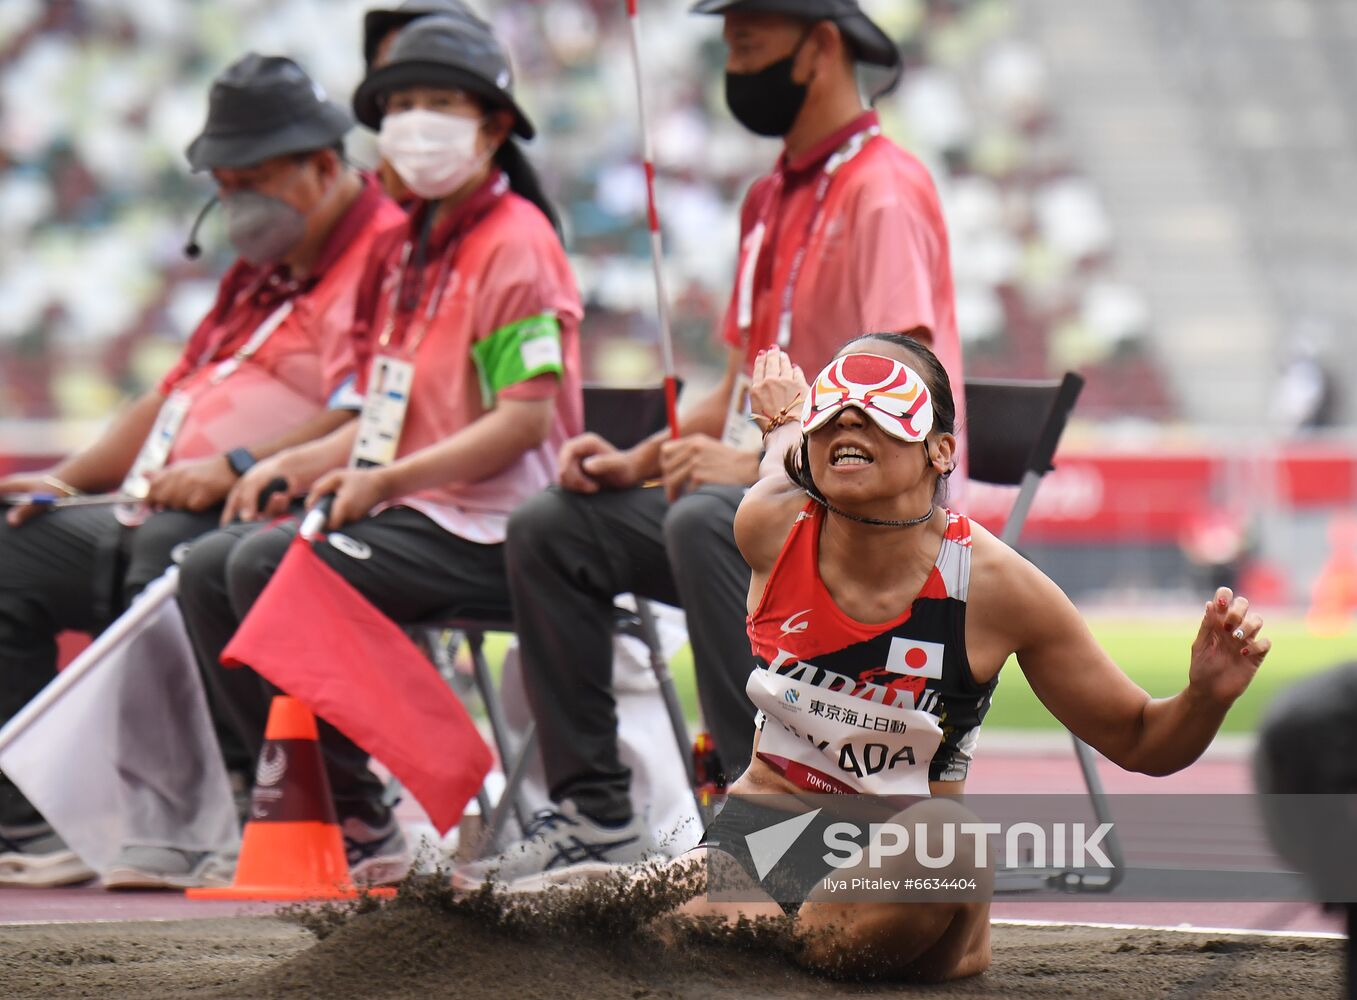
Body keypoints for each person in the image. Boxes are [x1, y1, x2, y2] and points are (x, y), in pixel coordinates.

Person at [475, 0, 966, 886]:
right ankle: (596, 813)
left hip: (874, 527)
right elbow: (742, 380)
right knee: (554, 525)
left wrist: (756, 464)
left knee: (708, 516)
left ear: (819, 48)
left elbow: (903, 388)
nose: (731, 65)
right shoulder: (768, 196)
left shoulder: (882, 190)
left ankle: (766, 831)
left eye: (747, 43)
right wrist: (634, 459)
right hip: (772, 505)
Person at [673, 336, 1270, 981]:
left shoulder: (995, 587)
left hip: (901, 858)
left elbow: (1142, 739)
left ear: (940, 451)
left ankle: (778, 944)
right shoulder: (768, 523)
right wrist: (787, 421)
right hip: (764, 836)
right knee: (652, 921)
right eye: (833, 412)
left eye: (874, 411)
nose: (847, 417)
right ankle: (774, 940)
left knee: (947, 840)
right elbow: (781, 456)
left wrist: (1207, 696)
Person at [175, 13, 582, 886]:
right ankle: (313, 802)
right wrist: (301, 465)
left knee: (272, 565)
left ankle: (388, 801)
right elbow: (379, 412)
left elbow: (519, 423)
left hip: (498, 525)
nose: (416, 120)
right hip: (409, 509)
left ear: (495, 123)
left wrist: (381, 477)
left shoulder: (518, 245)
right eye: (399, 104)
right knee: (212, 564)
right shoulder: (398, 252)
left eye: (440, 102)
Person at [0, 54, 403, 888]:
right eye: (223, 182)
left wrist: (239, 465)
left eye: (251, 177)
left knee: (175, 555)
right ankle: (31, 823)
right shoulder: (257, 272)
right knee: (9, 545)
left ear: (324, 166)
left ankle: (208, 809)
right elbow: (173, 392)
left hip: (301, 505)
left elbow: (376, 412)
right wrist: (64, 483)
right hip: (168, 502)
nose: (234, 201)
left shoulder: (387, 257)